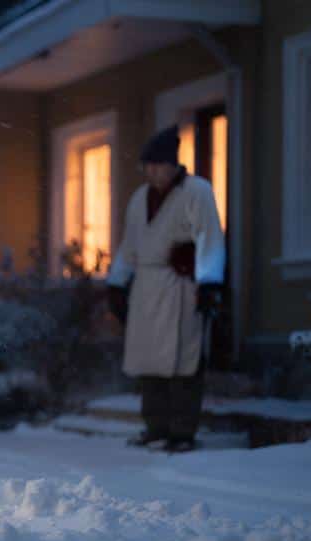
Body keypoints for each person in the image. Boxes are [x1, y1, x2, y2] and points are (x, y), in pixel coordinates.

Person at [106, 125, 225, 453]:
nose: (153, 171)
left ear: (173, 164)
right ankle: (155, 427)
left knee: (183, 359)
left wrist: (209, 281)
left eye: (159, 164)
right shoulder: (139, 199)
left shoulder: (196, 191)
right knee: (148, 361)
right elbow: (130, 245)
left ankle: (182, 431)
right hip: (146, 287)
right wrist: (117, 282)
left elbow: (209, 236)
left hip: (180, 287)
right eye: (149, 165)